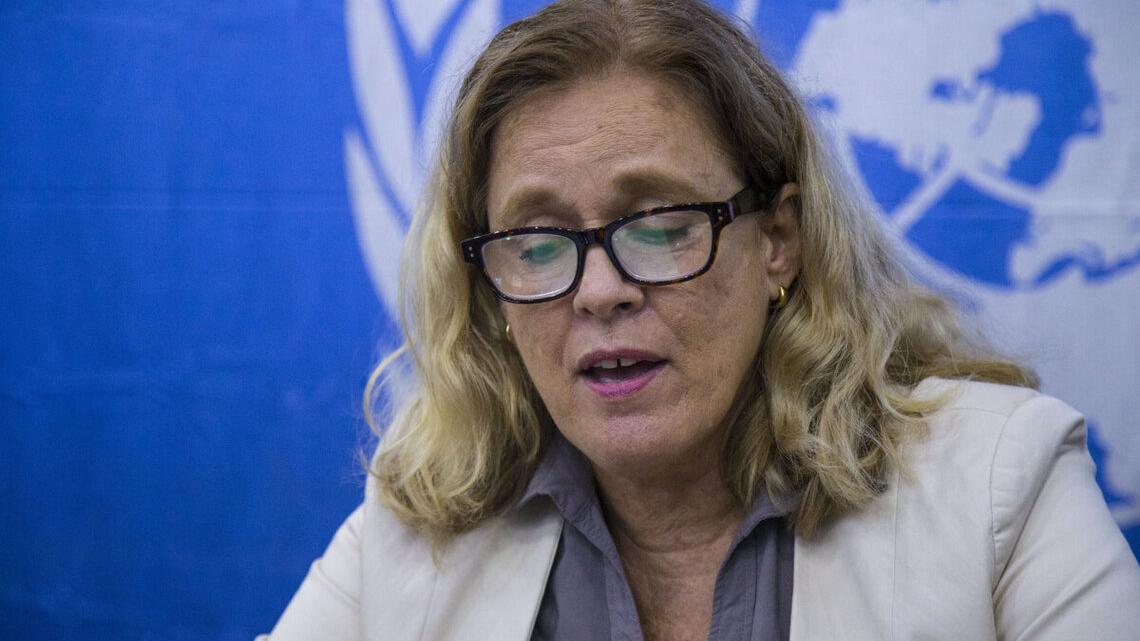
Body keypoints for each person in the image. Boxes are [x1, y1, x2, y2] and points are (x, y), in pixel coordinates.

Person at [261, 1, 1140, 639]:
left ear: (779, 241)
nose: (598, 290)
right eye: (536, 241)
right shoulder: (414, 529)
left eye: (659, 224)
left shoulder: (1002, 489)